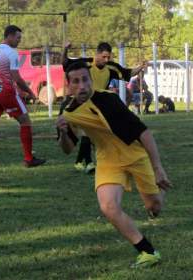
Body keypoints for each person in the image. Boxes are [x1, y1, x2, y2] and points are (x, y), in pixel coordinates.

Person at [56, 61, 172, 268]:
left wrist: (157, 167)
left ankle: (159, 192)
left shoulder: (107, 100)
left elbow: (143, 132)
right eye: (76, 81)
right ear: (68, 86)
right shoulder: (68, 113)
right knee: (108, 206)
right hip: (108, 161)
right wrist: (64, 133)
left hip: (136, 156)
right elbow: (67, 149)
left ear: (91, 80)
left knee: (154, 207)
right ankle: (148, 251)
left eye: (85, 79)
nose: (82, 85)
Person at [62, 42, 146, 173]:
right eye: (104, 57)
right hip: (83, 104)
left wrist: (141, 67)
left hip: (102, 105)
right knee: (86, 133)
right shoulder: (85, 65)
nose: (106, 60)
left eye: (108, 57)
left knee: (94, 134)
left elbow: (127, 73)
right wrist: (65, 50)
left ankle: (82, 161)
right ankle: (88, 162)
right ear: (97, 54)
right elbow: (65, 63)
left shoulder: (111, 68)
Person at [0, 25, 45, 168]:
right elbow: (17, 78)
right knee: (25, 121)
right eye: (17, 37)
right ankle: (28, 159)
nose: (19, 41)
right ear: (9, 36)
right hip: (5, 91)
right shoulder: (11, 52)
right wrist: (30, 92)